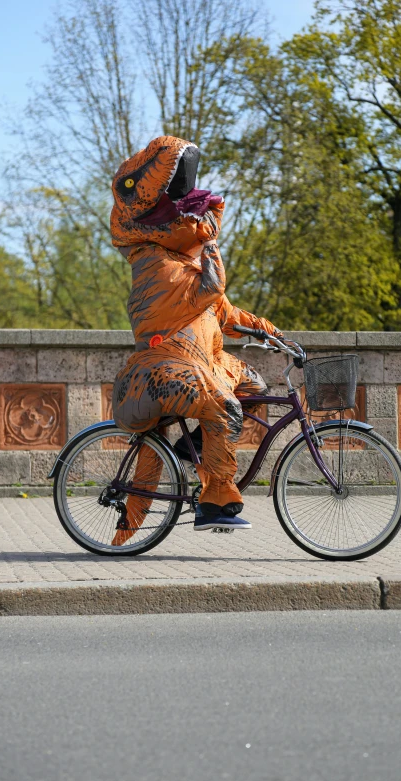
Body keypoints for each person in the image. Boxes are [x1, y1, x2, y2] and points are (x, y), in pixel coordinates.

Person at [110, 135, 281, 544]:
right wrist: (212, 270)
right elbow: (198, 297)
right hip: (160, 369)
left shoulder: (186, 260)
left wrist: (268, 331)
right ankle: (214, 502)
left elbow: (223, 314)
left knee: (255, 387)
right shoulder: (152, 263)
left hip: (202, 363)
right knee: (223, 406)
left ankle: (187, 454)